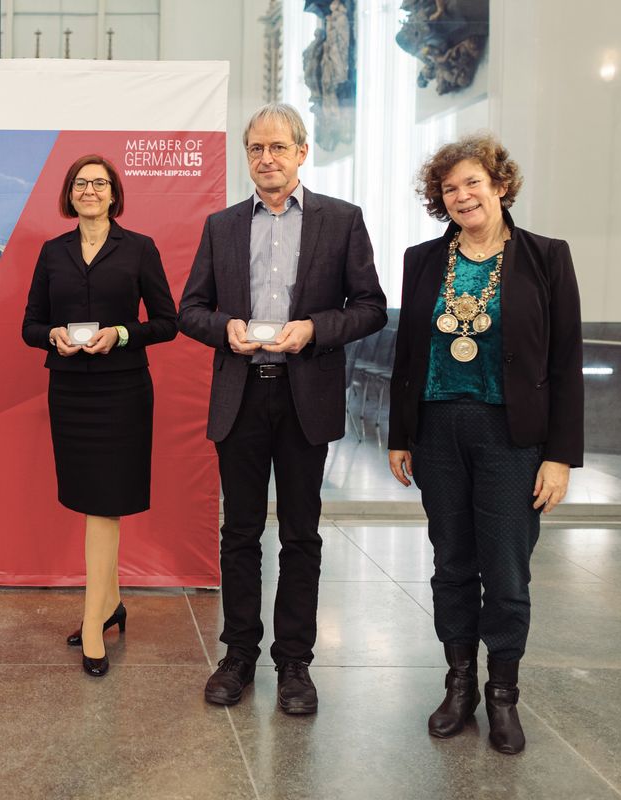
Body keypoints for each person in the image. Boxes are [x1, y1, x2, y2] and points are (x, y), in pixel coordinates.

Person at [178, 103, 386, 709]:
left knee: (300, 535)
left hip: (305, 395)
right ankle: (238, 654)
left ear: (301, 152)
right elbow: (191, 309)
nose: (265, 159)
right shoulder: (220, 226)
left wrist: (313, 329)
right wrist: (227, 328)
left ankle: (295, 663)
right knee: (239, 532)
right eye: (255, 149)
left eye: (277, 148)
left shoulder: (341, 221)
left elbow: (370, 306)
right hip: (240, 393)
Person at [388, 133, 583, 755]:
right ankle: (459, 683)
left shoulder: (546, 257)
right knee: (451, 564)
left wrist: (559, 455)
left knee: (505, 569)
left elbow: (566, 361)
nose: (462, 195)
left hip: (511, 435)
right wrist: (400, 435)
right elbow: (407, 354)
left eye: (473, 182)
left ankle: (503, 693)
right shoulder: (423, 260)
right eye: (450, 188)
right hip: (439, 428)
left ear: (500, 186)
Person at [22, 155, 177, 677]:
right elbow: (30, 324)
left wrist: (123, 333)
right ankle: (110, 605)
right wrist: (53, 336)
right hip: (69, 391)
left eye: (100, 183)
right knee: (92, 500)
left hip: (123, 390)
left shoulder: (139, 249)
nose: (90, 190)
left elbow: (167, 321)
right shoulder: (52, 252)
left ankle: (93, 625)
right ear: (70, 194)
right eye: (81, 183)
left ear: (114, 195)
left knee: (106, 504)